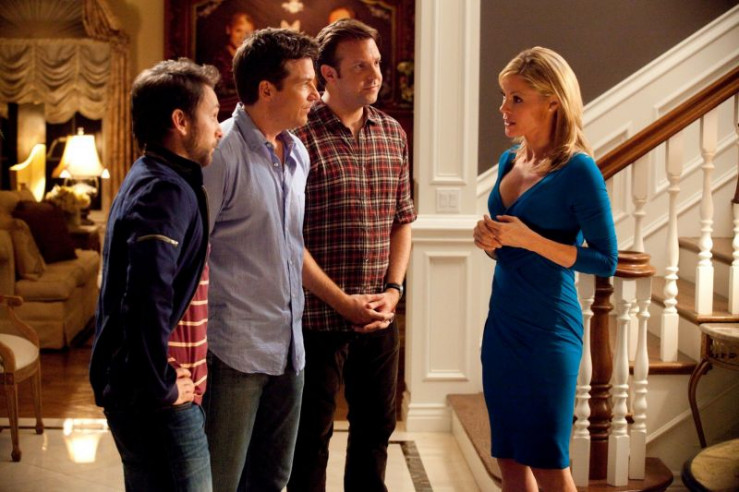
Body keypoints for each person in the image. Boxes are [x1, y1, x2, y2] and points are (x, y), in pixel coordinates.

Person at [472, 47, 618, 491]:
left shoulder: (579, 171)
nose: (504, 107)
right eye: (504, 96)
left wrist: (529, 239)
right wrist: (491, 241)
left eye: (517, 98)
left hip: (549, 329)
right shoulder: (509, 161)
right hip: (502, 325)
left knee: (548, 462)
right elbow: (510, 246)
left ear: (552, 102)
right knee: (508, 458)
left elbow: (605, 259)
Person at [288, 19, 416, 492]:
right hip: (315, 320)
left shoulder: (392, 133)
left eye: (377, 63)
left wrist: (393, 291)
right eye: (361, 66)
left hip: (379, 318)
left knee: (375, 433)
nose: (376, 74)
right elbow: (286, 239)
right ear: (329, 73)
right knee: (309, 442)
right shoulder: (298, 137)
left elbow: (402, 220)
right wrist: (343, 302)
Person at [89, 58, 222, 491]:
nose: (219, 129)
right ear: (181, 121)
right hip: (159, 397)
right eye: (213, 116)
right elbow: (145, 296)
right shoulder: (164, 189)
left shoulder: (156, 176)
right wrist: (162, 387)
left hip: (147, 388)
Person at [201, 28, 319, 492]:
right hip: (233, 350)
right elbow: (193, 254)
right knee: (221, 483)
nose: (316, 95)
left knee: (273, 481)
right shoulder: (220, 152)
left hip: (290, 349)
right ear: (267, 89)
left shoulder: (298, 153)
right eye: (306, 84)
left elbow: (289, 246)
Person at [210, 11, 255, 119]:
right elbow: (219, 91)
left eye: (248, 32)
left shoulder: (254, 58)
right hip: (225, 114)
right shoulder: (220, 59)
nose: (243, 36)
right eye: (238, 31)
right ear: (228, 30)